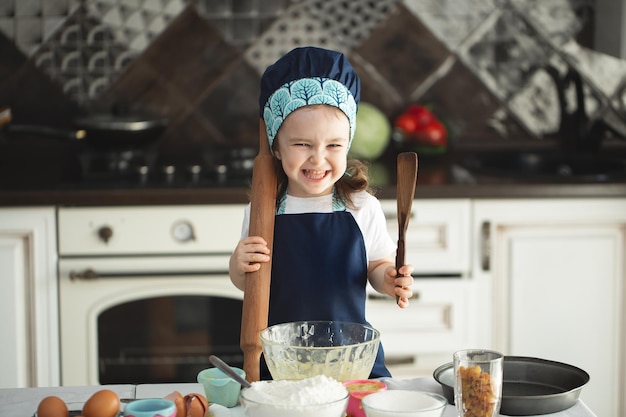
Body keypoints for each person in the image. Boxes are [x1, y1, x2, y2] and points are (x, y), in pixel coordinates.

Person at [229, 46, 414, 379]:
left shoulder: (362, 207)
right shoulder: (263, 212)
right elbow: (247, 283)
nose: (318, 158)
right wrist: (238, 265)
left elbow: (376, 265)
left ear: (348, 143)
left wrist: (388, 279)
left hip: (351, 358)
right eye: (302, 145)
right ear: (277, 146)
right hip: (283, 363)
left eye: (333, 145)